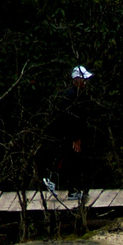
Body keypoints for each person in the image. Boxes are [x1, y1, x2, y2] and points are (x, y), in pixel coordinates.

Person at [42, 66, 95, 201]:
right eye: (83, 79)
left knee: (73, 162)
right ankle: (53, 180)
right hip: (68, 135)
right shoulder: (71, 96)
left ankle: (72, 190)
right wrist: (75, 137)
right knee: (68, 159)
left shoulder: (78, 95)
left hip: (73, 134)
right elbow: (70, 119)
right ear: (76, 80)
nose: (85, 82)